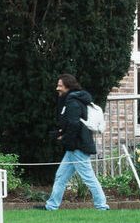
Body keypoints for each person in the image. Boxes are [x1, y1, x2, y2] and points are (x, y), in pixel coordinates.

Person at [41, 74, 108, 211]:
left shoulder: (72, 102)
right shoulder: (73, 100)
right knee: (61, 176)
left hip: (78, 147)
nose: (57, 88)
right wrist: (61, 135)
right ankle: (51, 206)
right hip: (74, 147)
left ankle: (102, 206)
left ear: (68, 87)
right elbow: (71, 124)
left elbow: (74, 125)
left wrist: (64, 138)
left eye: (60, 85)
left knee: (89, 178)